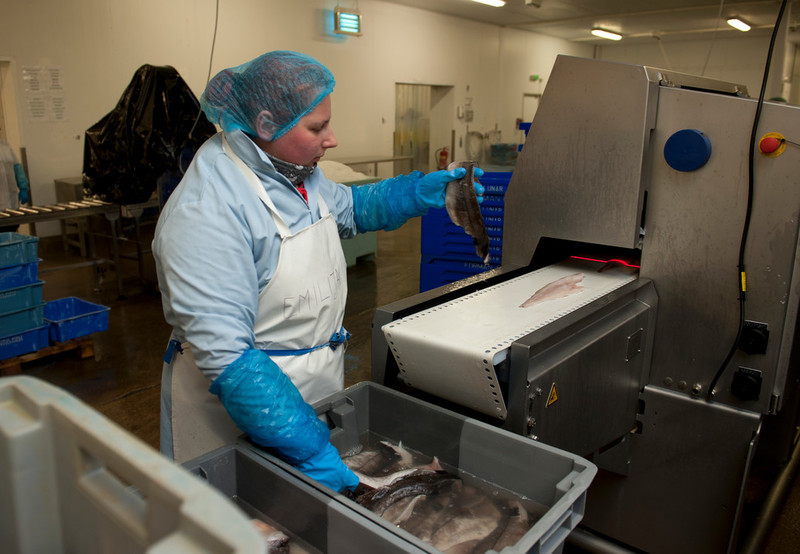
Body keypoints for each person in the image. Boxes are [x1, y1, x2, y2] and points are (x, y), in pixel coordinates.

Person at [152, 50, 483, 492]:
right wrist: (309, 447)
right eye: (316, 128)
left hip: (304, 394)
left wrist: (417, 193)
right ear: (266, 124)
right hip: (237, 406)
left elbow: (351, 208)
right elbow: (230, 358)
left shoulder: (295, 173)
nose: (332, 139)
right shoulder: (208, 211)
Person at [0, 139, 31, 232]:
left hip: (11, 201)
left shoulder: (5, 146)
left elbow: (17, 168)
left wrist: (23, 187)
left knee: (11, 230)